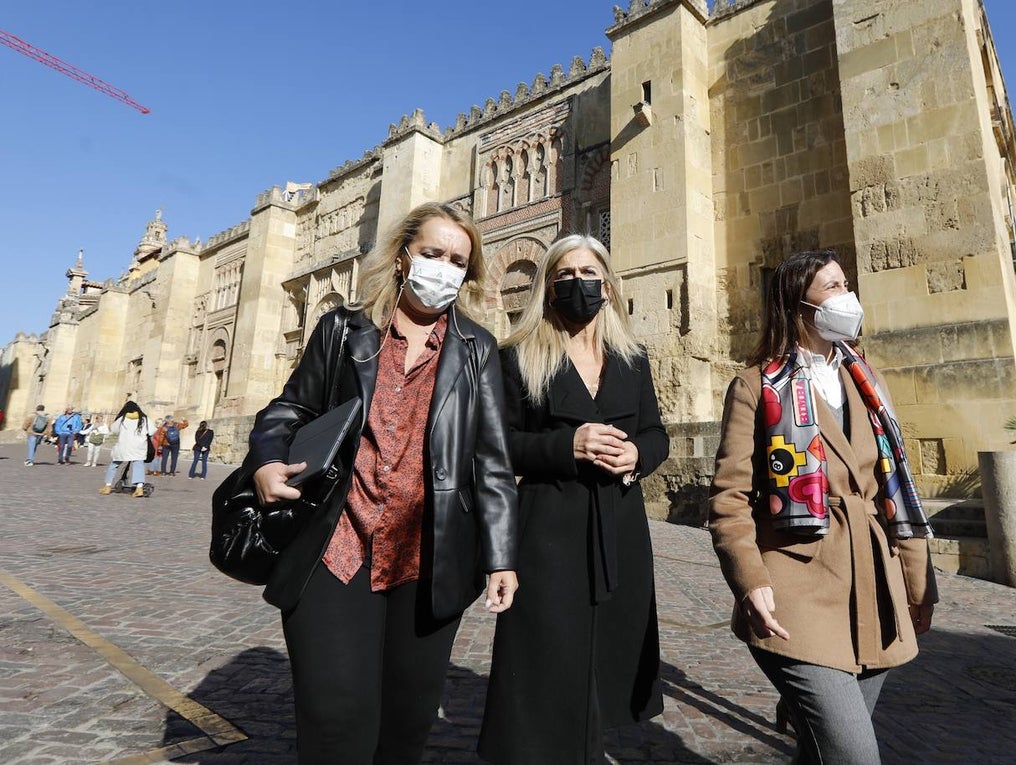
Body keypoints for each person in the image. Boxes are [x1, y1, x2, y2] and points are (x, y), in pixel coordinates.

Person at [244, 201, 518, 764]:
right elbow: (290, 407)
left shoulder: (477, 349)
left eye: (458, 261)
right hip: (336, 544)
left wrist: (501, 556)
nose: (444, 268)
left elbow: (492, 461)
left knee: (406, 723)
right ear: (401, 257)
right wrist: (267, 460)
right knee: (334, 716)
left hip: (429, 556)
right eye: (432, 253)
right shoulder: (343, 331)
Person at [708, 250, 938, 764]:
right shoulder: (754, 386)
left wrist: (918, 583)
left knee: (823, 754)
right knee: (854, 754)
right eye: (833, 287)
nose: (847, 296)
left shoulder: (868, 380)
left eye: (845, 284)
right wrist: (750, 580)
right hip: (797, 588)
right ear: (799, 304)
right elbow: (729, 497)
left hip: (875, 587)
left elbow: (896, 486)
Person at [478, 234, 669, 764]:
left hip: (620, 532)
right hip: (547, 531)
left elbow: (656, 434)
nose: (576, 283)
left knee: (605, 663)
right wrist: (567, 445)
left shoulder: (632, 358)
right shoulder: (518, 357)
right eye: (563, 274)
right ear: (547, 286)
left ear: (607, 287)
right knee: (545, 662)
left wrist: (638, 455)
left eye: (588, 274)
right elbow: (495, 445)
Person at [100, 401, 155, 497]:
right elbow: (152, 431)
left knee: (114, 464)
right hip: (138, 447)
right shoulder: (144, 419)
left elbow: (114, 429)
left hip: (124, 446)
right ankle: (139, 488)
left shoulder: (122, 418)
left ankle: (107, 486)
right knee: (138, 465)